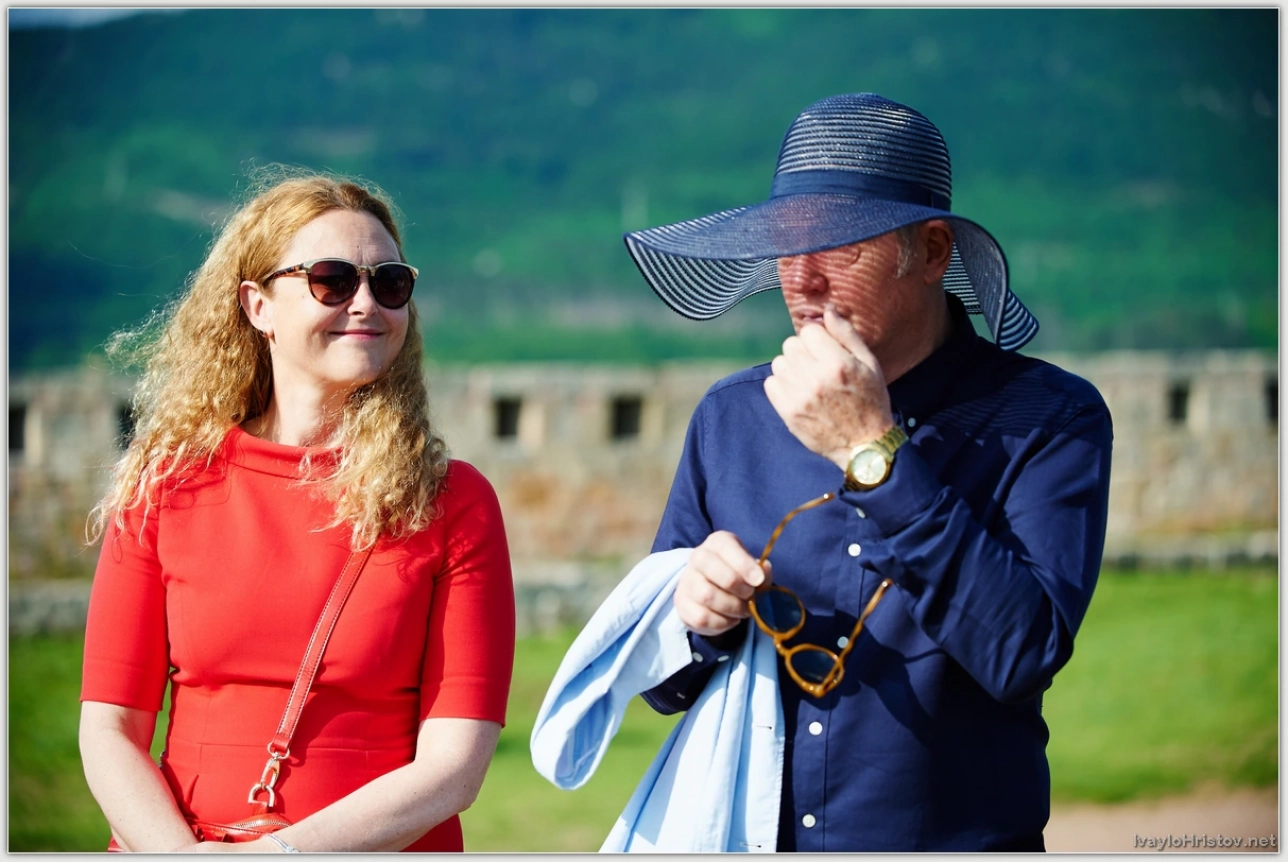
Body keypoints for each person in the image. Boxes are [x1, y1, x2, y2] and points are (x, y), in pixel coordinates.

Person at [621, 93, 1114, 851]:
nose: (803, 280)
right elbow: (660, 686)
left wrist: (870, 450)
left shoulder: (1048, 418)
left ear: (934, 251)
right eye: (788, 246)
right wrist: (694, 618)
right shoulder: (732, 417)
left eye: (840, 246)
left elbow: (1024, 654)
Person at [78, 171, 516, 852]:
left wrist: (281, 854)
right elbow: (109, 728)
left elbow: (454, 766)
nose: (366, 303)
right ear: (258, 307)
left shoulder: (453, 502)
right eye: (332, 281)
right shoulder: (166, 485)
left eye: (390, 283)